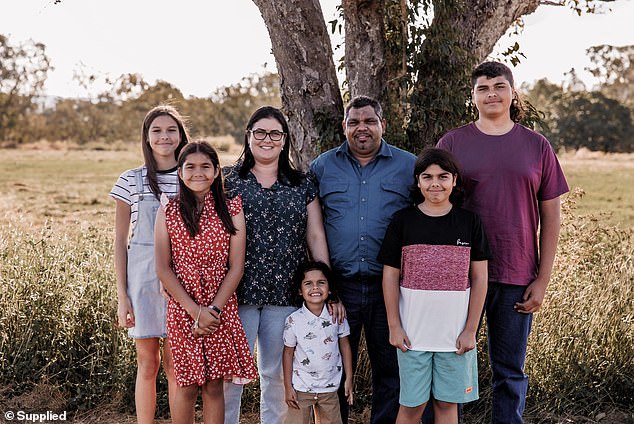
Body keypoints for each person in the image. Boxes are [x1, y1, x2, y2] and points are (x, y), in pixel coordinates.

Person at [437, 61, 569, 424]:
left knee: (509, 371)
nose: (491, 93)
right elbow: (434, 203)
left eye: (499, 86)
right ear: (473, 96)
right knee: (451, 363)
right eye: (483, 88)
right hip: (459, 275)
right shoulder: (452, 143)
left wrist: (542, 279)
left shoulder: (536, 145)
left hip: (516, 273)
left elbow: (551, 217)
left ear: (513, 93)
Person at [222, 106, 341, 424]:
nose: (267, 139)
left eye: (275, 133)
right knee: (232, 374)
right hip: (236, 292)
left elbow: (315, 235)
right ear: (248, 136)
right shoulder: (227, 181)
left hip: (286, 292)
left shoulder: (302, 184)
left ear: (285, 139)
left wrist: (327, 288)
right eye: (259, 132)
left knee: (277, 374)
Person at [310, 95, 416, 423]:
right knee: (332, 369)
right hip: (340, 288)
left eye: (369, 121)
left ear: (383, 124)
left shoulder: (409, 166)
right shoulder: (322, 167)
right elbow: (311, 227)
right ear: (344, 127)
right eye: (354, 122)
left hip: (392, 286)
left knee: (391, 370)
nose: (362, 128)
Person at [378, 148, 491, 424]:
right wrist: (394, 325)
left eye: (443, 176)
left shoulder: (469, 222)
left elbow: (480, 279)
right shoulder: (403, 222)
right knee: (412, 407)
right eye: (427, 177)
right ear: (418, 182)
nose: (435, 183)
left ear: (454, 181)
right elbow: (390, 276)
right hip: (412, 337)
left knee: (446, 405)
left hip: (454, 338)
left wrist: (470, 330)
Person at [154, 141, 258, 424]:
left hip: (219, 307)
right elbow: (163, 268)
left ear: (215, 172)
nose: (197, 173)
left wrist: (212, 310)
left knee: (214, 384)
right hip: (183, 306)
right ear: (179, 172)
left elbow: (235, 268)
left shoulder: (231, 208)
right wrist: (194, 311)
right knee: (186, 383)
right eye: (190, 167)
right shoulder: (169, 210)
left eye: (205, 167)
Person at [110, 104, 188, 423]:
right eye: (156, 130)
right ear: (146, 137)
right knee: (148, 363)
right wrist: (122, 296)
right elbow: (119, 241)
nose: (164, 136)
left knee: (174, 364)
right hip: (141, 280)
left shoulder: (191, 175)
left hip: (180, 281)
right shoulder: (131, 180)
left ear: (181, 135)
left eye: (171, 129)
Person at [283, 261, 354, 424]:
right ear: (300, 290)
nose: (315, 287)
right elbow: (287, 353)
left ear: (329, 289)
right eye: (308, 283)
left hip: (330, 388)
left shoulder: (337, 317)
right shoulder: (293, 321)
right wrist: (288, 387)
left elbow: (345, 345)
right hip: (301, 389)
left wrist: (348, 378)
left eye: (321, 283)